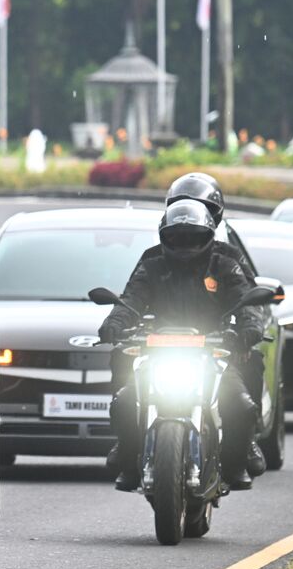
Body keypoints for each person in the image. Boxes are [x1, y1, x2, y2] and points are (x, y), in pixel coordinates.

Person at [108, 172, 268, 476]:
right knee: (124, 398)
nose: (184, 243)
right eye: (177, 236)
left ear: (210, 229)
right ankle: (127, 450)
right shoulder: (152, 261)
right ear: (164, 231)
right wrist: (115, 322)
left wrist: (248, 327)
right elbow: (132, 297)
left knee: (242, 403)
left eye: (193, 237)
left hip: (213, 348)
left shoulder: (226, 261)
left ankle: (242, 449)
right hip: (158, 349)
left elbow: (245, 296)